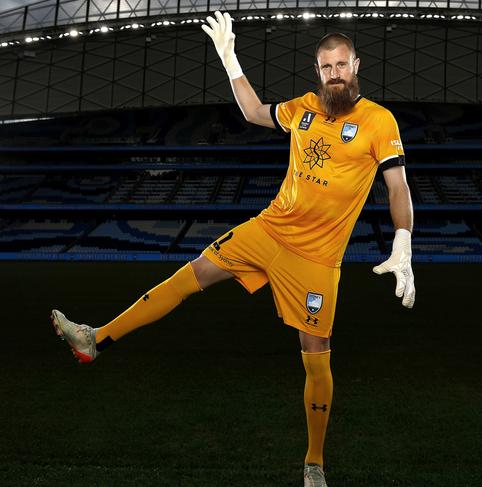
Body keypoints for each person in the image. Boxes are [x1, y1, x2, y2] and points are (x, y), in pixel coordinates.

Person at [51, 11, 415, 487]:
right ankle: (94, 339)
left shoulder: (377, 120)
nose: (334, 74)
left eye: (342, 65)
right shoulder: (303, 107)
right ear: (317, 71)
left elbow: (397, 185)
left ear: (357, 66)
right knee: (190, 275)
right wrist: (229, 58)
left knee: (316, 353)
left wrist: (403, 238)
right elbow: (254, 112)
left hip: (316, 260)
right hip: (267, 230)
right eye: (326, 67)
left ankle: (314, 462)